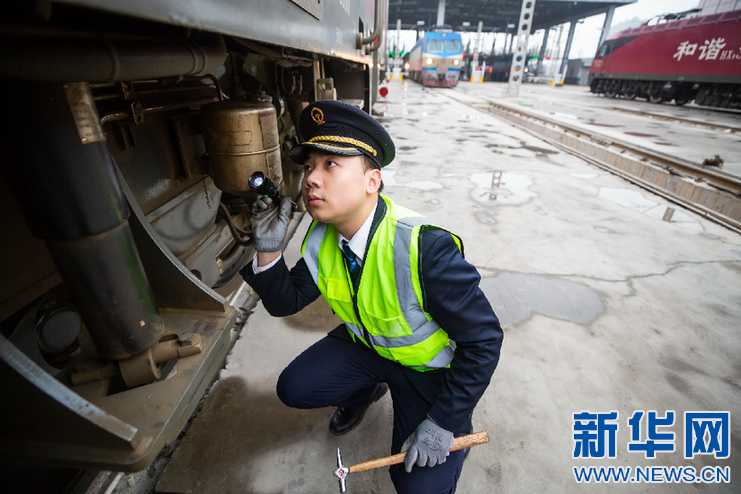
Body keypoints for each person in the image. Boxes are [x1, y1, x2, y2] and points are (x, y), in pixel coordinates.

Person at [240, 99, 503, 494]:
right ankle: (367, 390)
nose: (311, 179)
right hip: (368, 347)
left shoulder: (424, 247)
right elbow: (285, 303)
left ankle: (448, 425)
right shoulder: (323, 237)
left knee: (418, 486)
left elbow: (484, 341)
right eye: (309, 166)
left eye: (331, 164)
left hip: (426, 370)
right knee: (295, 387)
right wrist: (268, 251)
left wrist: (443, 423)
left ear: (372, 181)